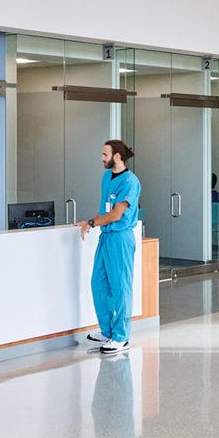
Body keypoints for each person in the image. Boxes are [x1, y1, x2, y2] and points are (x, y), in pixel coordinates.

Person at [78, 139, 141, 354]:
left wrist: (94, 223)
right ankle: (107, 331)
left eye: (105, 154)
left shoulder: (130, 182)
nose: (102, 158)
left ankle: (121, 337)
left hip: (121, 238)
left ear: (117, 156)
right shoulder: (106, 177)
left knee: (120, 287)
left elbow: (116, 214)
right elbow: (105, 210)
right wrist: (89, 222)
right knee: (98, 283)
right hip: (106, 237)